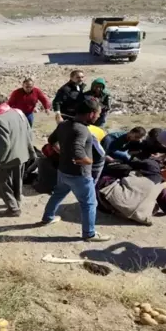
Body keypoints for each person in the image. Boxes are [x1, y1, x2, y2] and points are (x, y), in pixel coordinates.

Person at [41, 97, 112, 242]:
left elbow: (51, 140)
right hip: (80, 175)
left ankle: (47, 218)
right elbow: (78, 151)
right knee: (90, 204)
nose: (99, 116)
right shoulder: (82, 130)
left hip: (63, 171)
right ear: (91, 114)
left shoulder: (64, 125)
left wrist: (61, 152)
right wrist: (88, 161)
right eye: (98, 113)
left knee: (58, 195)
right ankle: (89, 234)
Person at [0, 95, 36, 217]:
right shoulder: (17, 112)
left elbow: (3, 146)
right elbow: (29, 132)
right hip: (21, 155)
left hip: (6, 159)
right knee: (17, 181)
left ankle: (13, 209)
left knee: (2, 183)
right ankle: (17, 201)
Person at [96, 158, 166, 225]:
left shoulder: (133, 173)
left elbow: (110, 170)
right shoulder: (162, 183)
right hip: (140, 216)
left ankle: (103, 207)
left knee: (105, 179)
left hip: (119, 205)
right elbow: (165, 198)